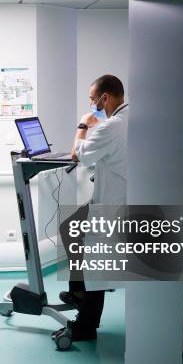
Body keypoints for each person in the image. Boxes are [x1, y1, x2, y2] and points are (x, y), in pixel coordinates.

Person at [53, 74, 129, 341]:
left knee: (95, 261)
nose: (92, 104)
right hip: (123, 199)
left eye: (92, 99)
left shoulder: (112, 126)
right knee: (71, 228)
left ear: (105, 97)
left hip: (113, 206)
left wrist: (83, 124)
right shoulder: (124, 121)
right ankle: (78, 293)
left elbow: (78, 153)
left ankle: (85, 324)